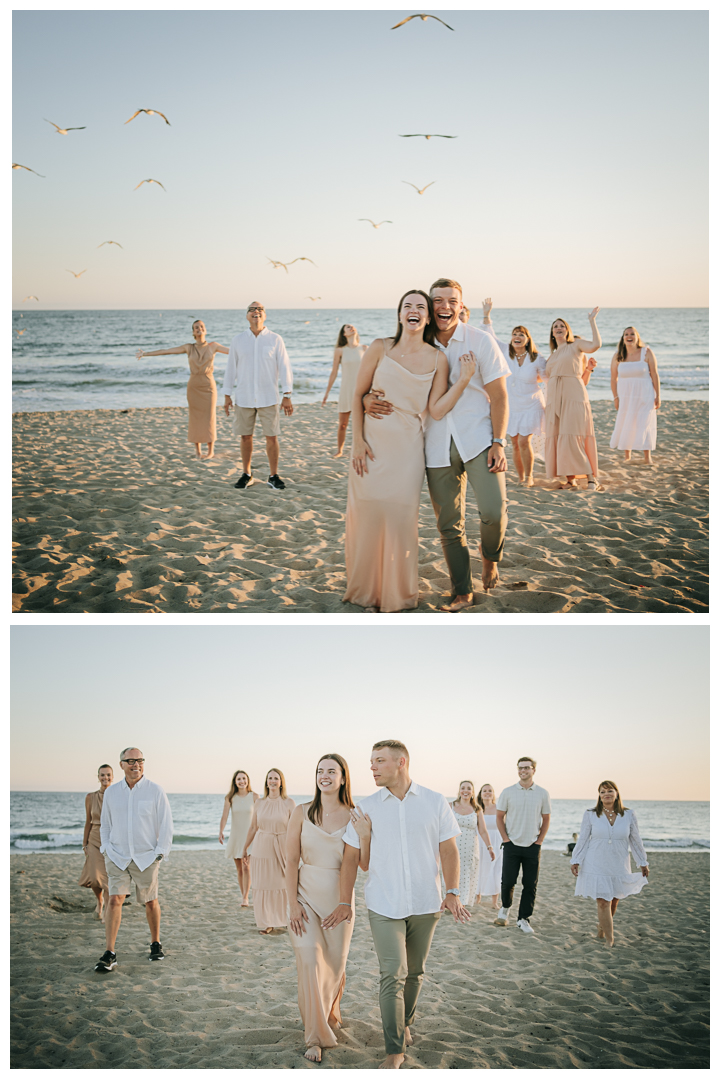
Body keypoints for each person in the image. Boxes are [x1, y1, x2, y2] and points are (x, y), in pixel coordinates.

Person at [365, 278, 510, 610]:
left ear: (461, 305)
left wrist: (499, 442)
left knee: (494, 511)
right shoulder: (416, 342)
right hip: (432, 443)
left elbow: (500, 396)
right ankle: (462, 590)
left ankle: (490, 557)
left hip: (478, 439)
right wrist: (364, 402)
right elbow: (384, 379)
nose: (445, 306)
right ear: (430, 307)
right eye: (438, 300)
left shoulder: (481, 340)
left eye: (452, 301)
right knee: (449, 525)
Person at [323, 739, 469, 1070]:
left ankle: (404, 1023)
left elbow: (449, 850)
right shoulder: (366, 807)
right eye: (371, 761)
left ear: (400, 762)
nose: (371, 767)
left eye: (379, 761)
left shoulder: (434, 802)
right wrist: (344, 901)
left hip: (426, 902)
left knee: (415, 972)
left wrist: (453, 891)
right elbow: (350, 860)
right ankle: (394, 1050)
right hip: (383, 903)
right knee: (393, 974)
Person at [344, 289, 478, 613]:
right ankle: (366, 590)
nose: (414, 311)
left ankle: (396, 593)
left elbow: (436, 410)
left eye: (420, 307)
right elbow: (357, 394)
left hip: (407, 452)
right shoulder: (379, 347)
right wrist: (357, 441)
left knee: (401, 518)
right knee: (369, 514)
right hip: (371, 444)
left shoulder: (438, 358)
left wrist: (463, 382)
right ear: (400, 315)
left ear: (428, 317)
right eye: (408, 306)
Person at [286, 754, 370, 1064]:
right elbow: (290, 861)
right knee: (310, 961)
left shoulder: (355, 815)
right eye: (320, 771)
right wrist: (291, 903)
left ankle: (331, 1011)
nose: (325, 776)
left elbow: (362, 864)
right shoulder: (301, 812)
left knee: (334, 966)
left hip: (340, 903)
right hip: (305, 899)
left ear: (343, 778)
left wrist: (366, 834)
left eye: (331, 771)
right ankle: (315, 1037)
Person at [95, 747, 173, 971]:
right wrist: (106, 848)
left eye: (139, 760)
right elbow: (105, 824)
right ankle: (110, 952)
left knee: (150, 901)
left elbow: (166, 824)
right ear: (121, 764)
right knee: (114, 900)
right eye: (130, 761)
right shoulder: (111, 793)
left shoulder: (155, 791)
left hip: (146, 856)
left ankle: (155, 943)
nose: (135, 764)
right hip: (117, 856)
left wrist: (160, 853)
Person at [222, 301, 294, 490]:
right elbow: (231, 368)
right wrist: (227, 394)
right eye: (252, 309)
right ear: (247, 316)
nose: (256, 311)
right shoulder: (238, 340)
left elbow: (285, 365)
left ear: (265, 315)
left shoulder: (275, 339)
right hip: (244, 397)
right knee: (245, 437)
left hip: (268, 397)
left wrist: (287, 394)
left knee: (272, 437)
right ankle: (247, 474)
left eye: (260, 309)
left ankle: (273, 475)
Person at [136, 319, 229, 460]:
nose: (199, 329)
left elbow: (234, 352)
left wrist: (254, 351)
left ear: (205, 330)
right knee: (195, 417)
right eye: (196, 327)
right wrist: (145, 354)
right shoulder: (188, 347)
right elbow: (167, 351)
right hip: (193, 386)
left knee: (209, 417)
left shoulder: (213, 346)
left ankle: (210, 451)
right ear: (193, 332)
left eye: (202, 327)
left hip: (208, 384)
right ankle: (198, 451)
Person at [571, 781, 649, 947]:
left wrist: (642, 861)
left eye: (610, 790)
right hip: (596, 861)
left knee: (614, 899)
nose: (606, 794)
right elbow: (583, 838)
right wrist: (576, 859)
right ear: (599, 795)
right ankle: (610, 939)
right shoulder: (590, 814)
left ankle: (602, 927)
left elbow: (635, 840)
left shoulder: (629, 814)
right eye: (602, 791)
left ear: (616, 793)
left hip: (619, 861)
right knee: (603, 901)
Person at [481, 299, 547, 487]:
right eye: (514, 334)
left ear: (528, 339)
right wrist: (487, 315)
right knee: (516, 444)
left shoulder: (537, 359)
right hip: (512, 406)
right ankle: (520, 477)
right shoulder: (504, 352)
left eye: (521, 335)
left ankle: (529, 476)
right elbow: (489, 335)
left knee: (525, 442)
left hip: (531, 405)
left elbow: (547, 377)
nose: (517, 337)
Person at [545, 310, 602, 490]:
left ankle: (591, 478)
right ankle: (571, 479)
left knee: (574, 435)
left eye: (562, 326)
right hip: (555, 399)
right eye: (556, 327)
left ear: (567, 331)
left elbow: (595, 345)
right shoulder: (552, 356)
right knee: (562, 436)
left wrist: (592, 321)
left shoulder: (576, 345)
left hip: (574, 396)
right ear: (552, 333)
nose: (559, 328)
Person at [494, 757, 551, 934]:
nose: (523, 771)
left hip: (532, 846)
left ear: (534, 770)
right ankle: (505, 908)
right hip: (511, 844)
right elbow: (499, 816)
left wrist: (539, 841)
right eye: (520, 768)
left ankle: (523, 919)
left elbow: (546, 818)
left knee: (530, 884)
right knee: (508, 882)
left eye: (526, 768)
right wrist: (505, 839)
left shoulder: (542, 793)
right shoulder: (508, 792)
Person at [242, 769, 295, 933]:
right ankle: (267, 922)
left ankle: (283, 918)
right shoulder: (259, 803)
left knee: (282, 884)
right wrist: (245, 848)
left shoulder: (289, 803)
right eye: (270, 778)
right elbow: (253, 827)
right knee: (263, 884)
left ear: (281, 782)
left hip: (282, 846)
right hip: (261, 846)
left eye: (276, 778)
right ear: (266, 782)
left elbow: (295, 829)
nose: (273, 781)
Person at [609, 327, 661, 466]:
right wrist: (615, 397)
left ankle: (647, 456)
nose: (629, 336)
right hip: (625, 395)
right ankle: (627, 455)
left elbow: (654, 374)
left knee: (645, 422)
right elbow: (613, 378)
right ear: (623, 338)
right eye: (626, 334)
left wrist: (658, 396)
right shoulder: (618, 355)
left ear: (637, 337)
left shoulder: (647, 352)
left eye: (632, 334)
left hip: (645, 394)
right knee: (627, 421)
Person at [445, 781, 494, 907]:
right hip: (452, 846)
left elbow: (482, 830)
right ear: (459, 790)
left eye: (468, 789)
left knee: (466, 874)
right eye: (463, 788)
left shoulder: (477, 809)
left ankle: (463, 903)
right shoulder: (450, 806)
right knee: (450, 871)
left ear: (472, 792)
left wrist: (490, 847)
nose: (465, 791)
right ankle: (448, 901)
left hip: (470, 848)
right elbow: (442, 827)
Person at [322, 324, 367, 457]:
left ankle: (362, 447)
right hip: (346, 390)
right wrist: (327, 393)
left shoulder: (365, 348)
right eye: (348, 327)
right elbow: (334, 372)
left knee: (363, 424)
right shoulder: (340, 350)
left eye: (352, 326)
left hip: (361, 390)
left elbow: (371, 371)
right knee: (343, 424)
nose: (351, 328)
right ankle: (340, 450)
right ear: (344, 334)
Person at [78, 764, 113, 921]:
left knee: (106, 876)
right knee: (94, 875)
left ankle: (106, 909)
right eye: (102, 775)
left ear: (112, 777)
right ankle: (99, 901)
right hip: (93, 838)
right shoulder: (90, 797)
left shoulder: (117, 796)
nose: (105, 778)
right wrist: (84, 843)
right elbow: (88, 822)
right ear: (98, 777)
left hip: (111, 839)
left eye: (108, 775)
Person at [219, 770, 259, 906]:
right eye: (239, 779)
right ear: (235, 782)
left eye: (244, 778)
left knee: (247, 867)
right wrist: (221, 831)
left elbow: (260, 816)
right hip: (236, 836)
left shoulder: (254, 796)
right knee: (240, 869)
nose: (242, 781)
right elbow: (224, 816)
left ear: (247, 780)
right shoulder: (230, 797)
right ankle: (244, 895)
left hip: (250, 837)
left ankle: (245, 898)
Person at [475, 783, 503, 909]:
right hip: (479, 842)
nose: (487, 793)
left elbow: (506, 825)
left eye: (490, 790)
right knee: (478, 868)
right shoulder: (476, 808)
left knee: (495, 870)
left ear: (493, 793)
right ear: (480, 794)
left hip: (496, 842)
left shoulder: (499, 808)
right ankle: (477, 896)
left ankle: (494, 901)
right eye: (484, 791)